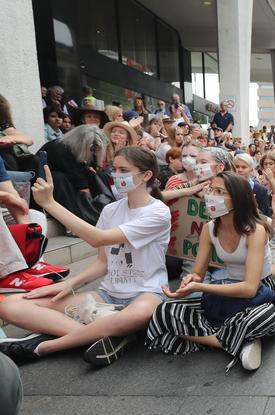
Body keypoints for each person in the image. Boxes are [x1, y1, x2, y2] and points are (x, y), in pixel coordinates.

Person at [0, 147, 170, 365]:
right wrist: (68, 285)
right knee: (10, 305)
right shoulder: (110, 210)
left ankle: (44, 346)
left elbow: (98, 238)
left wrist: (50, 204)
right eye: (114, 169)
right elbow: (102, 262)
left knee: (138, 314)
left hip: (148, 292)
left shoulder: (158, 211)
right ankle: (107, 333)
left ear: (146, 175)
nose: (116, 175)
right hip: (107, 294)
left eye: (123, 170)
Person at [146, 171, 275, 371]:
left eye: (219, 191)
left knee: (259, 318)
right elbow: (198, 273)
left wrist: (200, 286)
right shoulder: (209, 228)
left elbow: (250, 289)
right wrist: (189, 282)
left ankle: (214, 335)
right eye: (211, 189)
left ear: (237, 199)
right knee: (164, 310)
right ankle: (235, 342)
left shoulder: (255, 230)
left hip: (261, 293)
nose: (211, 195)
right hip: (226, 289)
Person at [39, 124, 113, 224]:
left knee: (99, 175)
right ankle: (75, 219)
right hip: (52, 184)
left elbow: (87, 168)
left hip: (70, 181)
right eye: (91, 149)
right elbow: (77, 178)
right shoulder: (61, 149)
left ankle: (107, 210)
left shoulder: (84, 150)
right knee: (58, 178)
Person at [232, 152, 272, 217]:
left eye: (244, 167)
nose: (240, 170)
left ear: (251, 170)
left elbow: (266, 216)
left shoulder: (261, 190)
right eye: (237, 167)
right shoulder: (226, 187)